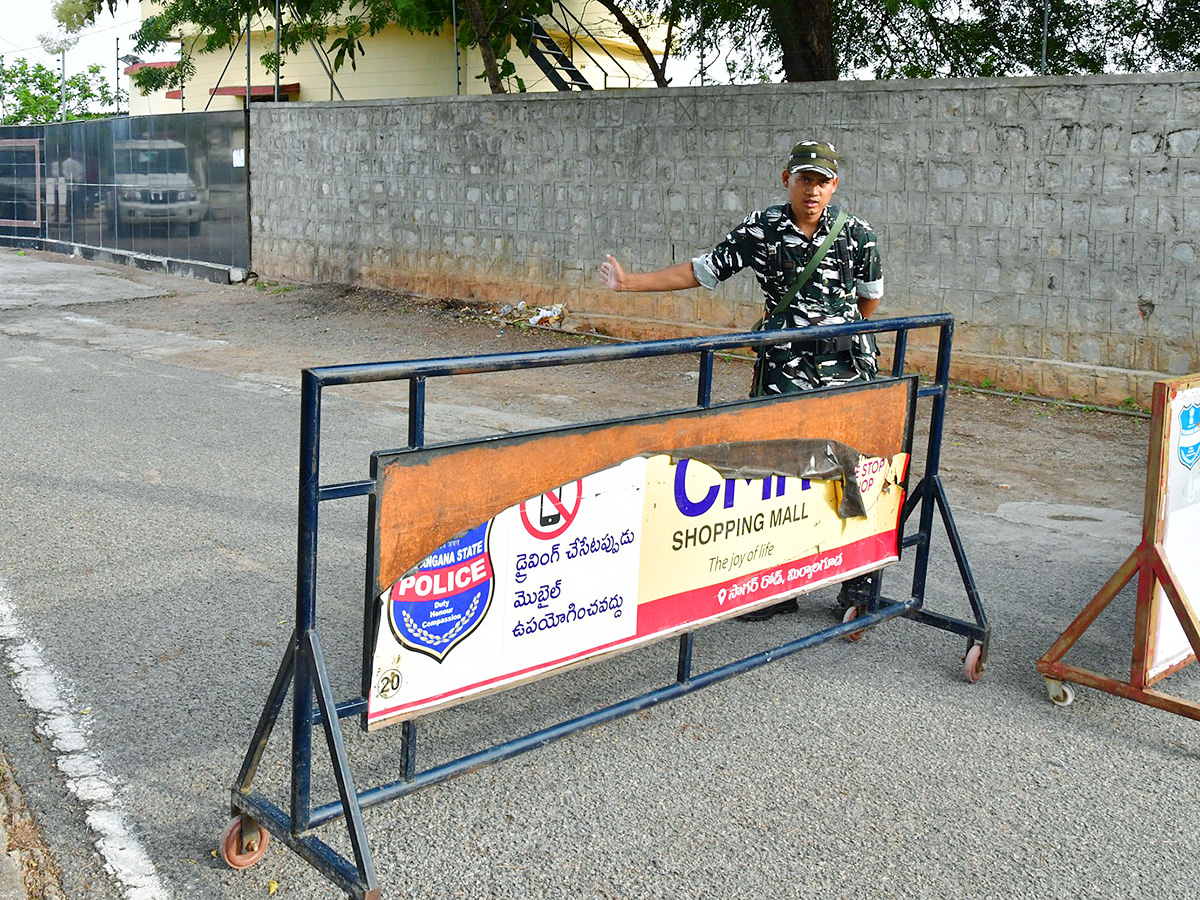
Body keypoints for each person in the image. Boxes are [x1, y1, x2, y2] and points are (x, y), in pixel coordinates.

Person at [598, 138, 884, 621]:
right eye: (803, 179)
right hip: (784, 372)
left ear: (835, 185)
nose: (811, 190)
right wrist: (630, 283)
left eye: (821, 181)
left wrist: (831, 328)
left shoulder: (857, 234)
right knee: (781, 470)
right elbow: (702, 271)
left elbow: (870, 300)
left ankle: (860, 584)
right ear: (786, 180)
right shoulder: (763, 229)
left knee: (854, 468)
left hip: (845, 372)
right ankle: (780, 586)